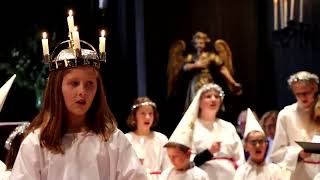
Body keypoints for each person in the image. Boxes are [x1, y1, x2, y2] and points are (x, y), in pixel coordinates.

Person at [10, 14, 148, 180]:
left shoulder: (112, 139)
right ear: (57, 89)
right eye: (74, 83)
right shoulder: (36, 143)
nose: (82, 91)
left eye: (89, 84)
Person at [174, 82, 245, 179]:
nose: (213, 99)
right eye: (208, 96)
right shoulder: (191, 127)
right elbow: (187, 160)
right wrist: (208, 153)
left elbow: (239, 157)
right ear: (199, 102)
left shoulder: (228, 127)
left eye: (217, 96)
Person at [270, 71, 320, 180]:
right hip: (299, 174)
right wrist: (298, 154)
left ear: (315, 89)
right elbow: (276, 154)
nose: (303, 97)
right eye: (298, 94)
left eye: (306, 93)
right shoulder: (286, 115)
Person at [182, 31, 242, 108]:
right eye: (196, 43)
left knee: (209, 100)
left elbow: (222, 68)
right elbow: (185, 67)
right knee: (195, 103)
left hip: (208, 81)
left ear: (205, 43)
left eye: (201, 43)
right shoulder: (191, 56)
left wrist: (232, 82)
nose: (199, 45)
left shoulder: (211, 56)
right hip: (196, 82)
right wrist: (197, 65)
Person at [125, 96, 171, 180]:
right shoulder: (127, 139)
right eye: (143, 113)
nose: (147, 117)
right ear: (135, 115)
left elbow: (168, 168)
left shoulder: (161, 139)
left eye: (150, 113)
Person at [234, 108, 283, 180]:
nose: (258, 145)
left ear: (266, 144)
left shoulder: (274, 170)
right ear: (246, 146)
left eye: (261, 141)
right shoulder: (241, 172)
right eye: (253, 142)